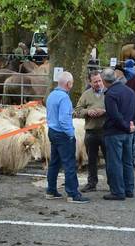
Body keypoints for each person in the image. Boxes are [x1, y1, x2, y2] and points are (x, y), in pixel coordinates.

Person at [45, 71, 90, 203]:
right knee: (69, 164)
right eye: (72, 83)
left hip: (52, 131)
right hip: (63, 134)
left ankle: (51, 190)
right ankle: (72, 194)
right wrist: (70, 134)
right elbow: (64, 119)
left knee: (54, 163)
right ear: (68, 84)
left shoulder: (51, 95)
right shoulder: (64, 98)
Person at [102, 68, 135, 200]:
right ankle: (128, 189)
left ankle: (118, 191)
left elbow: (114, 116)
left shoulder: (110, 94)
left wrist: (126, 126)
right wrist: (133, 125)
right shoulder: (129, 91)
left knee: (115, 162)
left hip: (115, 132)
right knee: (127, 162)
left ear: (104, 81)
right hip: (128, 132)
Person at [74, 70, 106, 193]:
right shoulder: (86, 94)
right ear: (90, 82)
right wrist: (88, 112)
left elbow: (116, 107)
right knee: (91, 159)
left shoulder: (109, 92)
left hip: (105, 131)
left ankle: (113, 183)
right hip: (91, 132)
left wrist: (104, 111)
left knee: (110, 158)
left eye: (99, 80)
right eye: (95, 82)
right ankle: (91, 183)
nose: (98, 84)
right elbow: (77, 110)